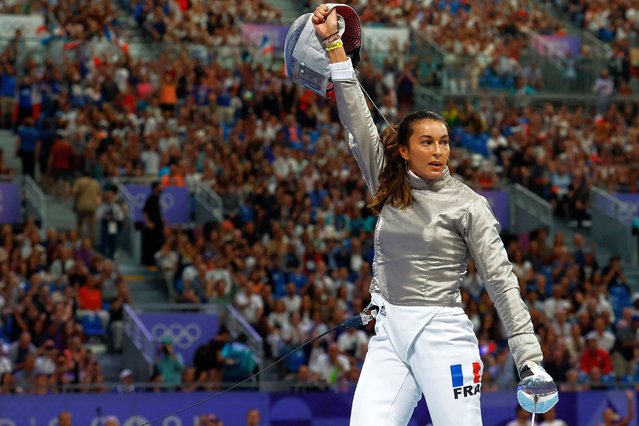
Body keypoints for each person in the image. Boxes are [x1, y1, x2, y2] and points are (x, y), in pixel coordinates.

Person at [309, 5, 556, 425]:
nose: (439, 151)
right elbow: (356, 117)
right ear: (404, 150)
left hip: (443, 337)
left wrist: (528, 357)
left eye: (443, 142)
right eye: (426, 142)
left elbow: (500, 280)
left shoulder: (468, 204)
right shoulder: (387, 183)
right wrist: (333, 45)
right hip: (389, 334)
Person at [73, 173, 101, 241]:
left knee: (80, 226)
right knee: (91, 227)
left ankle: (79, 241)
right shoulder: (95, 182)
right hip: (92, 207)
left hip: (81, 206)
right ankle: (90, 243)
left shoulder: (79, 181)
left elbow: (74, 192)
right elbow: (99, 195)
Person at [141, 181, 164, 267]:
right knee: (151, 245)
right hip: (152, 227)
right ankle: (149, 263)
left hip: (158, 225)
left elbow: (157, 212)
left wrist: (162, 219)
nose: (162, 187)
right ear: (155, 188)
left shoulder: (158, 198)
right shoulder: (151, 198)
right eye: (160, 185)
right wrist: (148, 222)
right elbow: (145, 211)